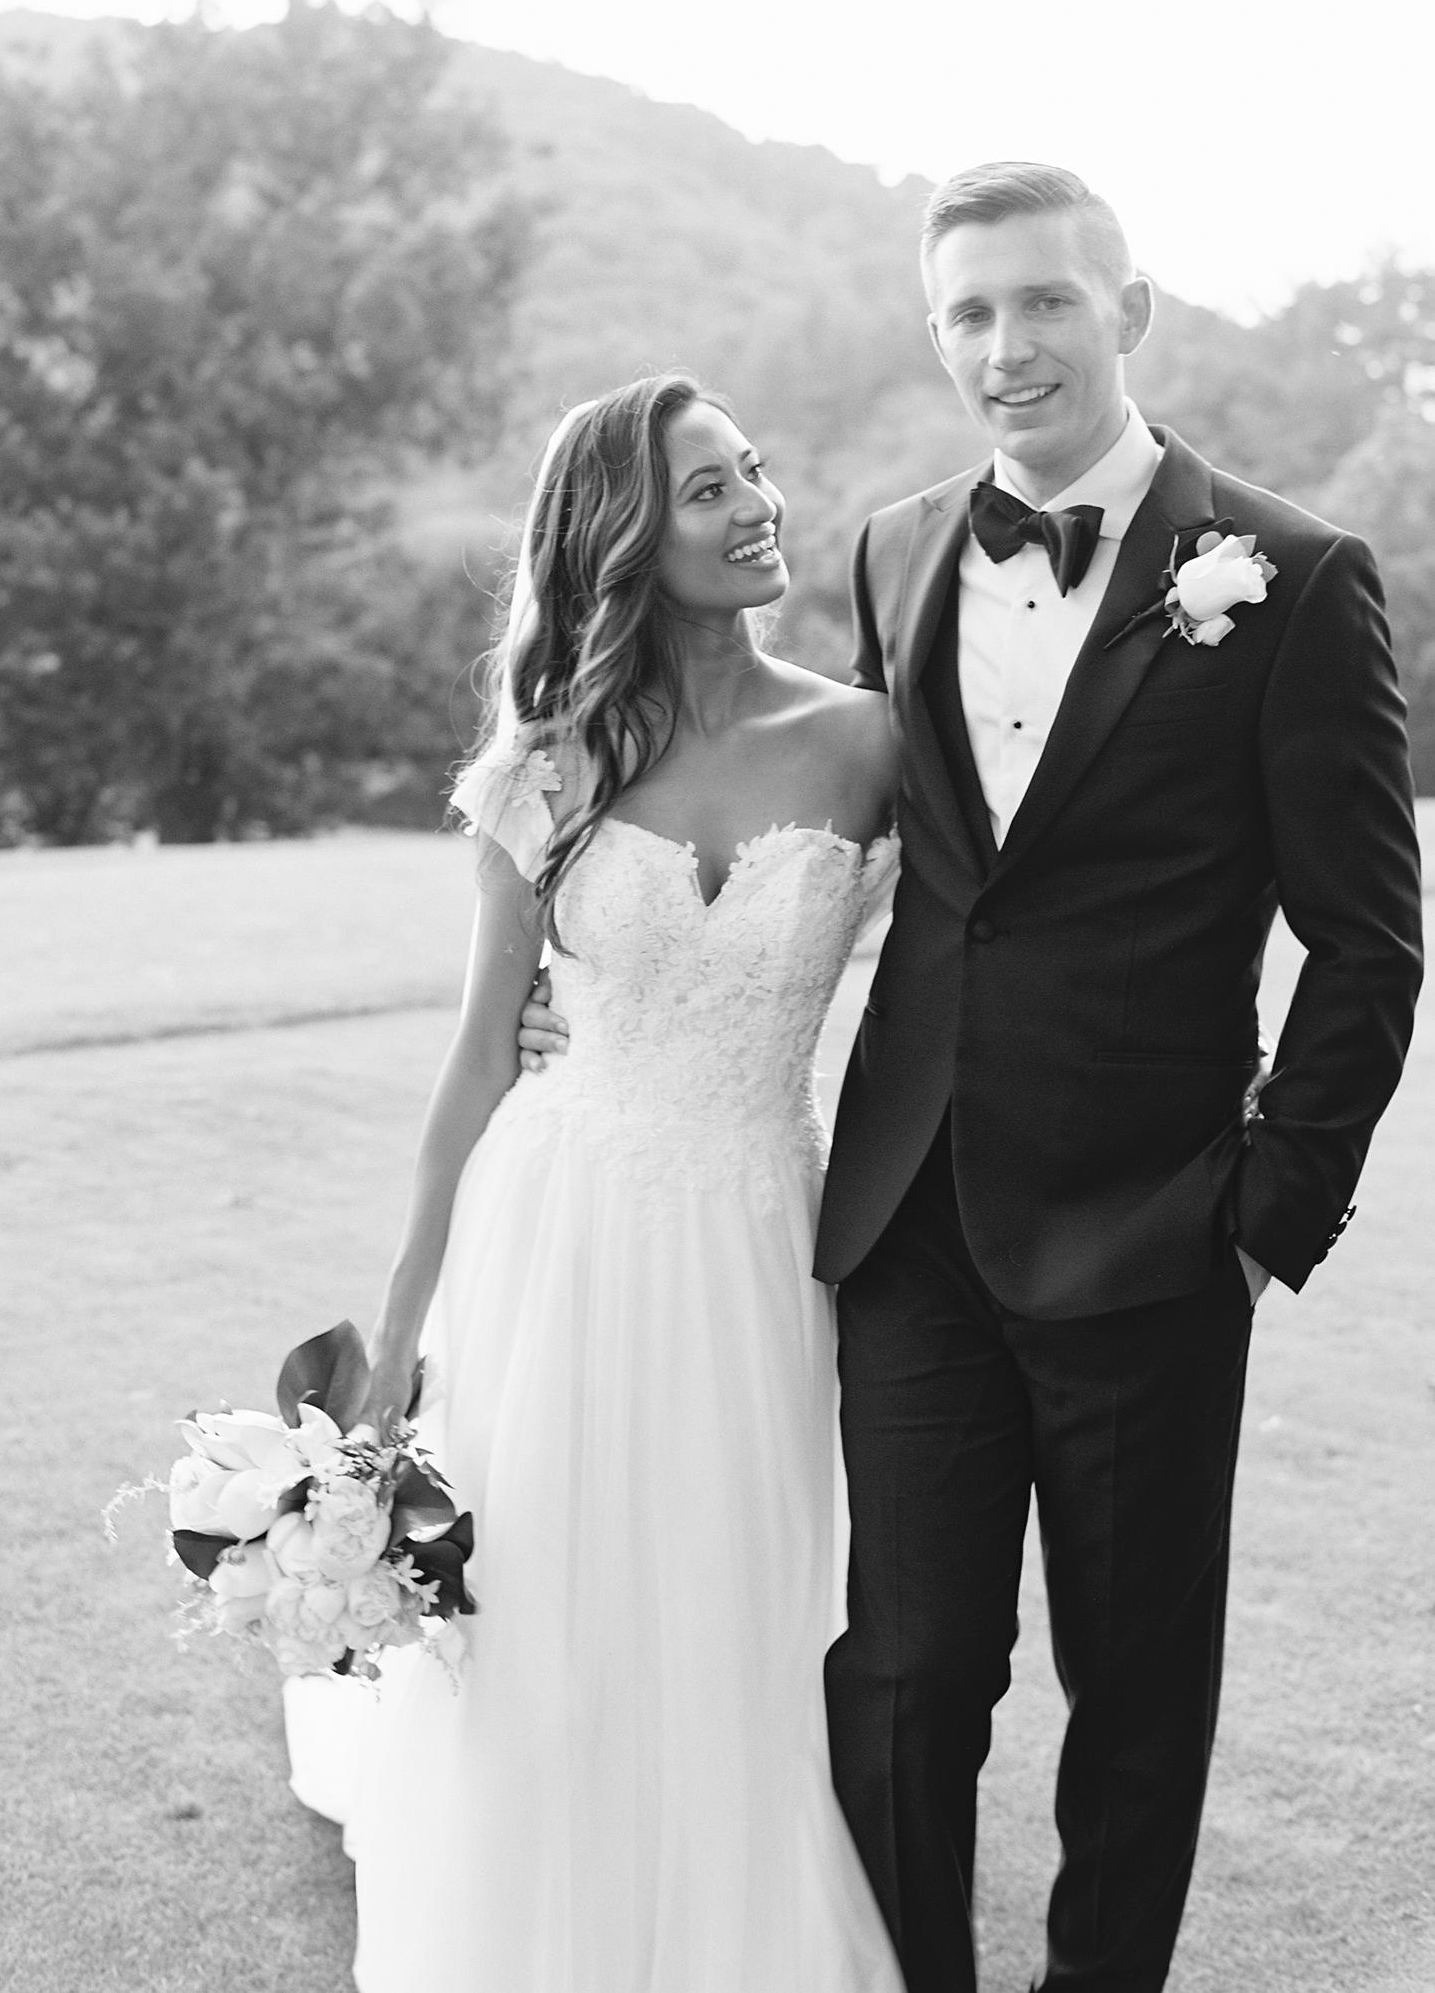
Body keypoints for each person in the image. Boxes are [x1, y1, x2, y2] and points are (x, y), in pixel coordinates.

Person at [521, 166, 1425, 1993]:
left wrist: (1262, 1213)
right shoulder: (893, 543)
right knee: (906, 1664)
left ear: (1128, 310)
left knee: (1133, 1683)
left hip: (1155, 1229)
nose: (1004, 348)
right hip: (910, 1210)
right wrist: (596, 977)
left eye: (1043, 305)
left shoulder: (1297, 577)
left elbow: (1368, 935)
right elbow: (860, 839)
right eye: (967, 315)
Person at [303, 372, 907, 1992]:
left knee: (738, 1595)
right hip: (558, 1221)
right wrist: (391, 1339)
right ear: (623, 536)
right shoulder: (546, 767)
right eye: (708, 487)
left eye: (756, 471)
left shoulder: (865, 739)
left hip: (766, 1226)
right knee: (549, 1604)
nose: (757, 504)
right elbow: (479, 1055)